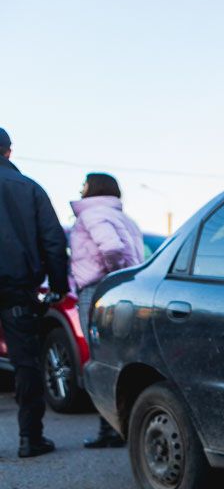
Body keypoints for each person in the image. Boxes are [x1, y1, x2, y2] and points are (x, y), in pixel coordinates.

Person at [0, 127, 70, 458]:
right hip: (17, 289)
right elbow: (54, 241)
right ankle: (30, 438)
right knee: (26, 362)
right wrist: (58, 287)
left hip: (17, 286)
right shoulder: (29, 188)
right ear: (8, 151)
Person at [69, 171, 143, 448]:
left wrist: (111, 276)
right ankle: (120, 427)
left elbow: (112, 248)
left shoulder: (91, 214)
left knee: (100, 359)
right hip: (124, 292)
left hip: (97, 290)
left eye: (85, 184)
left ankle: (109, 429)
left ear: (95, 187)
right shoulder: (124, 218)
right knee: (119, 358)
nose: (81, 188)